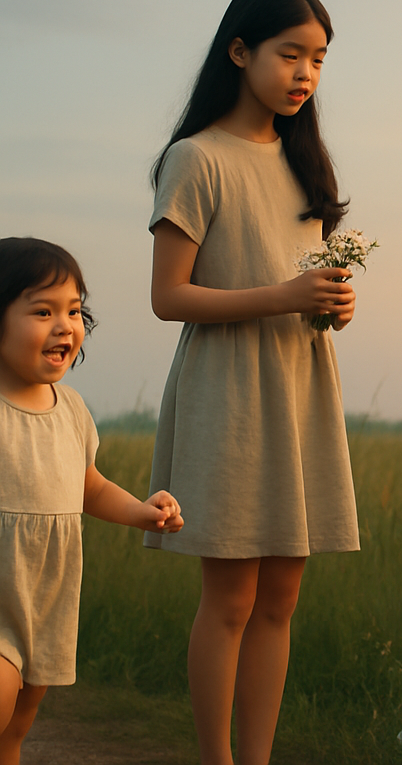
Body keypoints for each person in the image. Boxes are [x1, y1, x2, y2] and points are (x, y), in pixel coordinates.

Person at [147, 0, 359, 765]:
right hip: (228, 396)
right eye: (290, 54)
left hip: (299, 389)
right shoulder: (195, 159)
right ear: (240, 52)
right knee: (231, 600)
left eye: (319, 59)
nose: (306, 73)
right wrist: (284, 293)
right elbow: (169, 297)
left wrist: (329, 307)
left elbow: (301, 285)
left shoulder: (307, 165)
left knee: (281, 600)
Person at [0, 237, 182, 765]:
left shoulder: (71, 409)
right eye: (42, 310)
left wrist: (142, 510)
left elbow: (88, 486)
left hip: (47, 594)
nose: (65, 325)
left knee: (17, 723)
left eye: (75, 310)